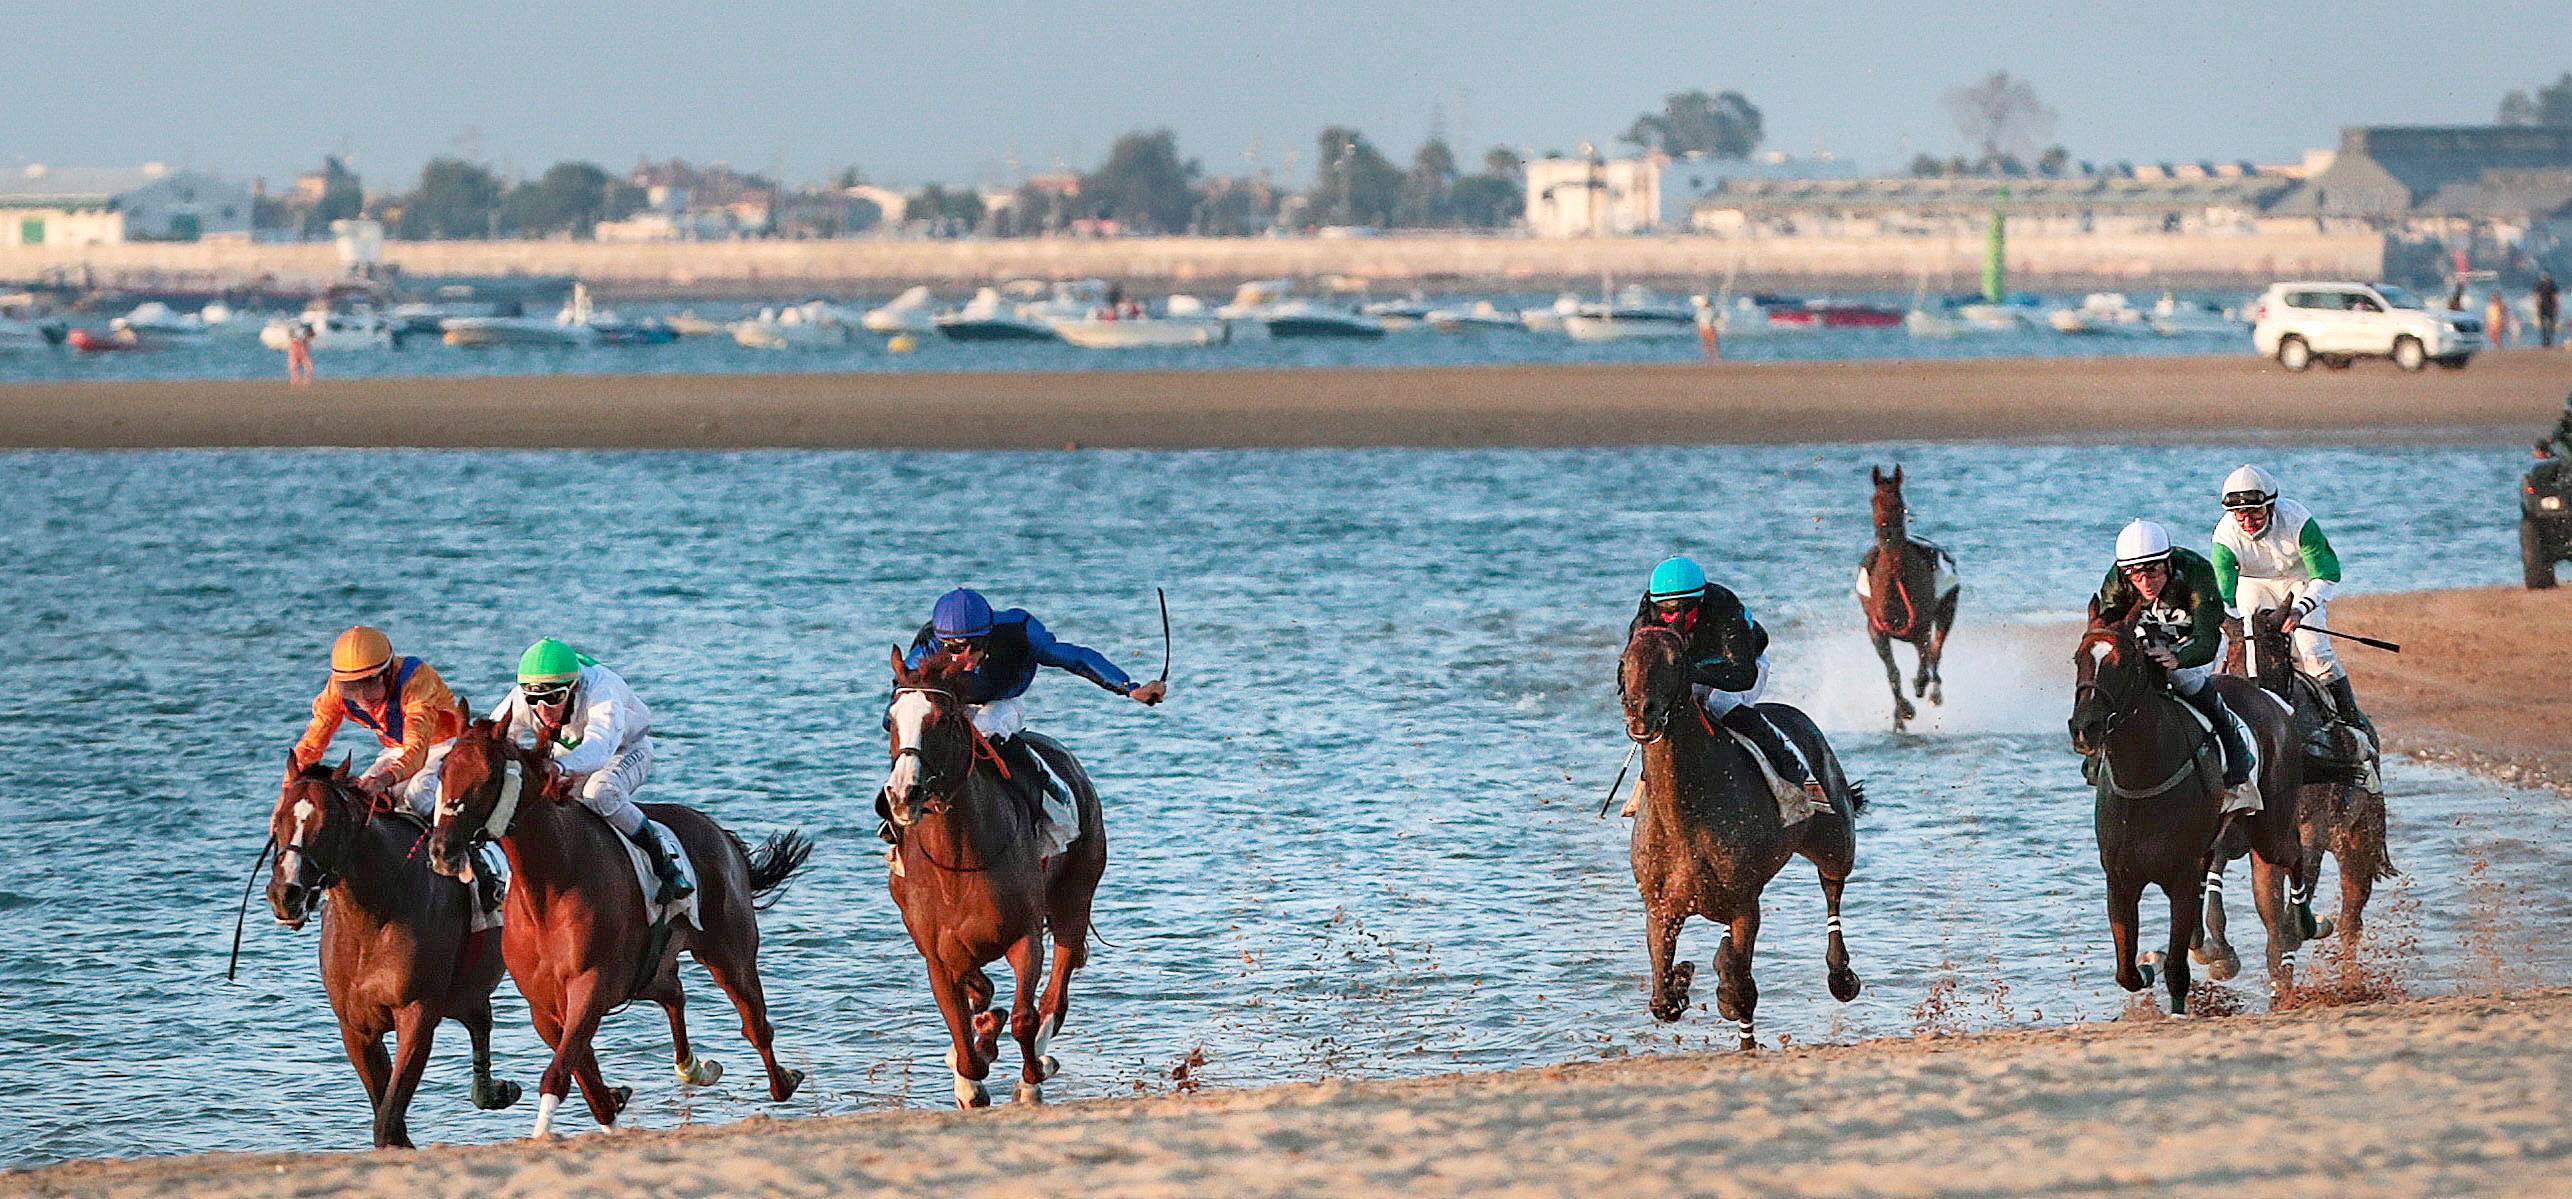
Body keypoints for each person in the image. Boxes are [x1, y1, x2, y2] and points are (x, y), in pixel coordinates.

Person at [891, 588, 1166, 845]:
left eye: (974, 645)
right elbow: (903, 698)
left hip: (1003, 701)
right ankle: (894, 819)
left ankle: (1052, 804)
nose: (965, 658)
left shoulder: (1019, 629)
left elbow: (1076, 658)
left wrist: (1128, 688)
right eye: (954, 649)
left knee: (986, 729)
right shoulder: (928, 645)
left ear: (988, 634)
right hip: (953, 705)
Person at [286, 625, 502, 910]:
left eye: (368, 683)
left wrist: (386, 778)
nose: (361, 697)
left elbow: (417, 749)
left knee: (417, 794)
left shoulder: (415, 680)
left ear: (387, 673)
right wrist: (288, 792)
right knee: (356, 801)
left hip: (444, 747)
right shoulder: (336, 692)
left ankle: (484, 875)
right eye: (351, 688)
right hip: (398, 749)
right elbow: (312, 744)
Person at [485, 639, 690, 901]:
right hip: (570, 753)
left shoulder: (601, 692)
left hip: (625, 749)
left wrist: (559, 767)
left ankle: (664, 863)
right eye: (534, 699)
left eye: (553, 698)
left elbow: (599, 748)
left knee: (600, 793)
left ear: (575, 687)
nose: (542, 709)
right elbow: (491, 738)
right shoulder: (523, 699)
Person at [1627, 556, 1827, 805]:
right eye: (1668, 611)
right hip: (1689, 668)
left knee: (1720, 704)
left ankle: (1790, 764)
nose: (1676, 617)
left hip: (1742, 665)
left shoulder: (1724, 607)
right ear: (1656, 604)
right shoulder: (1647, 615)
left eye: (1685, 609)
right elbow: (1633, 665)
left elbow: (1744, 676)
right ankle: (1650, 780)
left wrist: (1693, 675)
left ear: (1701, 599)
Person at [2209, 466, 2373, 747]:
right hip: (2253, 583)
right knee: (2247, 653)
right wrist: (2231, 624)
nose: (2248, 521)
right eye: (2240, 514)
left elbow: (2327, 573)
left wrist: (2300, 610)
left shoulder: (2298, 520)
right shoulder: (2225, 537)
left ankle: (2351, 724)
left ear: (2271, 506)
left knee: (2314, 651)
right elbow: (2224, 592)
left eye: (2256, 512)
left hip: (2300, 581)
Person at [2090, 521, 2257, 794]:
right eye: (2134, 574)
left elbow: (2207, 639)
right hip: (2149, 637)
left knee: (2184, 679)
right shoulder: (2117, 581)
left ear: (2167, 563)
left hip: (2194, 639)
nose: (2145, 582)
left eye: (2152, 571)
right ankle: (2097, 755)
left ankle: (2236, 751)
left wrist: (2177, 657)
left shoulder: (2197, 572)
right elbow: (2111, 630)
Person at [285, 320, 315, 386]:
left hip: (303, 353)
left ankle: (306, 382)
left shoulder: (305, 332)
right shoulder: (293, 333)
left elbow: (312, 335)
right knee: (294, 368)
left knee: (309, 367)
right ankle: (295, 382)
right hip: (295, 353)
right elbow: (293, 336)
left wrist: (309, 329)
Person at [2536, 272, 2560, 349]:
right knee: (2544, 326)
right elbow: (2536, 296)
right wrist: (2536, 306)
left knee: (2550, 326)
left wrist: (2556, 307)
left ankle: (2548, 341)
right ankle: (2545, 342)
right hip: (2543, 307)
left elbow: (2556, 296)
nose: (2546, 277)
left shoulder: (2552, 284)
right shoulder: (2541, 284)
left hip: (2549, 307)